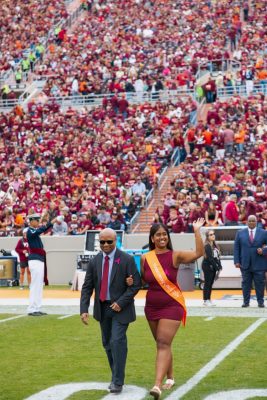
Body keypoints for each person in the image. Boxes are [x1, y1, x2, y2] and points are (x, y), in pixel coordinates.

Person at [129, 218, 204, 399]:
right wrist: (132, 282)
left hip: (172, 304)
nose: (162, 237)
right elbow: (145, 280)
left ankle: (157, 385)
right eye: (158, 235)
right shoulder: (145, 257)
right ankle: (170, 376)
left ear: (167, 237)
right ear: (152, 238)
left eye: (164, 234)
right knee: (163, 344)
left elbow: (199, 253)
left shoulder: (175, 255)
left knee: (163, 343)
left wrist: (196, 231)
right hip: (152, 306)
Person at [80, 228, 141, 394]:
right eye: (102, 242)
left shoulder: (127, 259)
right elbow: (87, 286)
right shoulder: (94, 261)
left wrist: (121, 302)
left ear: (116, 241)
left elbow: (136, 284)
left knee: (117, 341)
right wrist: (83, 309)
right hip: (102, 308)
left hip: (121, 309)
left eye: (109, 241)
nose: (105, 245)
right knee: (107, 344)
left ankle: (117, 382)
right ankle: (116, 375)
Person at [27, 213, 57, 316]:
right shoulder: (30, 231)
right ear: (31, 221)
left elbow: (39, 231)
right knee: (35, 285)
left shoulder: (34, 232)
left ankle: (37, 307)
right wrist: (50, 223)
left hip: (38, 260)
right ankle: (32, 308)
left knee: (39, 285)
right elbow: (40, 230)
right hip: (35, 260)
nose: (38, 222)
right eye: (36, 220)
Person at [234, 215, 267, 308]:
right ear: (247, 222)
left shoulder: (264, 233)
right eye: (250, 221)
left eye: (253, 221)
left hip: (259, 264)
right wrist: (236, 261)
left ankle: (260, 302)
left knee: (260, 284)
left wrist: (263, 251)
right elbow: (236, 248)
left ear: (256, 222)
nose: (252, 222)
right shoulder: (240, 233)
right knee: (245, 284)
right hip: (245, 264)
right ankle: (246, 302)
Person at [202, 230, 222, 306]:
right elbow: (210, 258)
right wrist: (216, 267)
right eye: (210, 235)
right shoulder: (207, 245)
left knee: (210, 283)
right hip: (207, 266)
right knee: (207, 283)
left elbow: (217, 257)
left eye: (213, 234)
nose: (213, 235)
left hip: (212, 266)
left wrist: (219, 265)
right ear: (207, 237)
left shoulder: (215, 245)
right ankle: (205, 300)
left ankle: (209, 299)